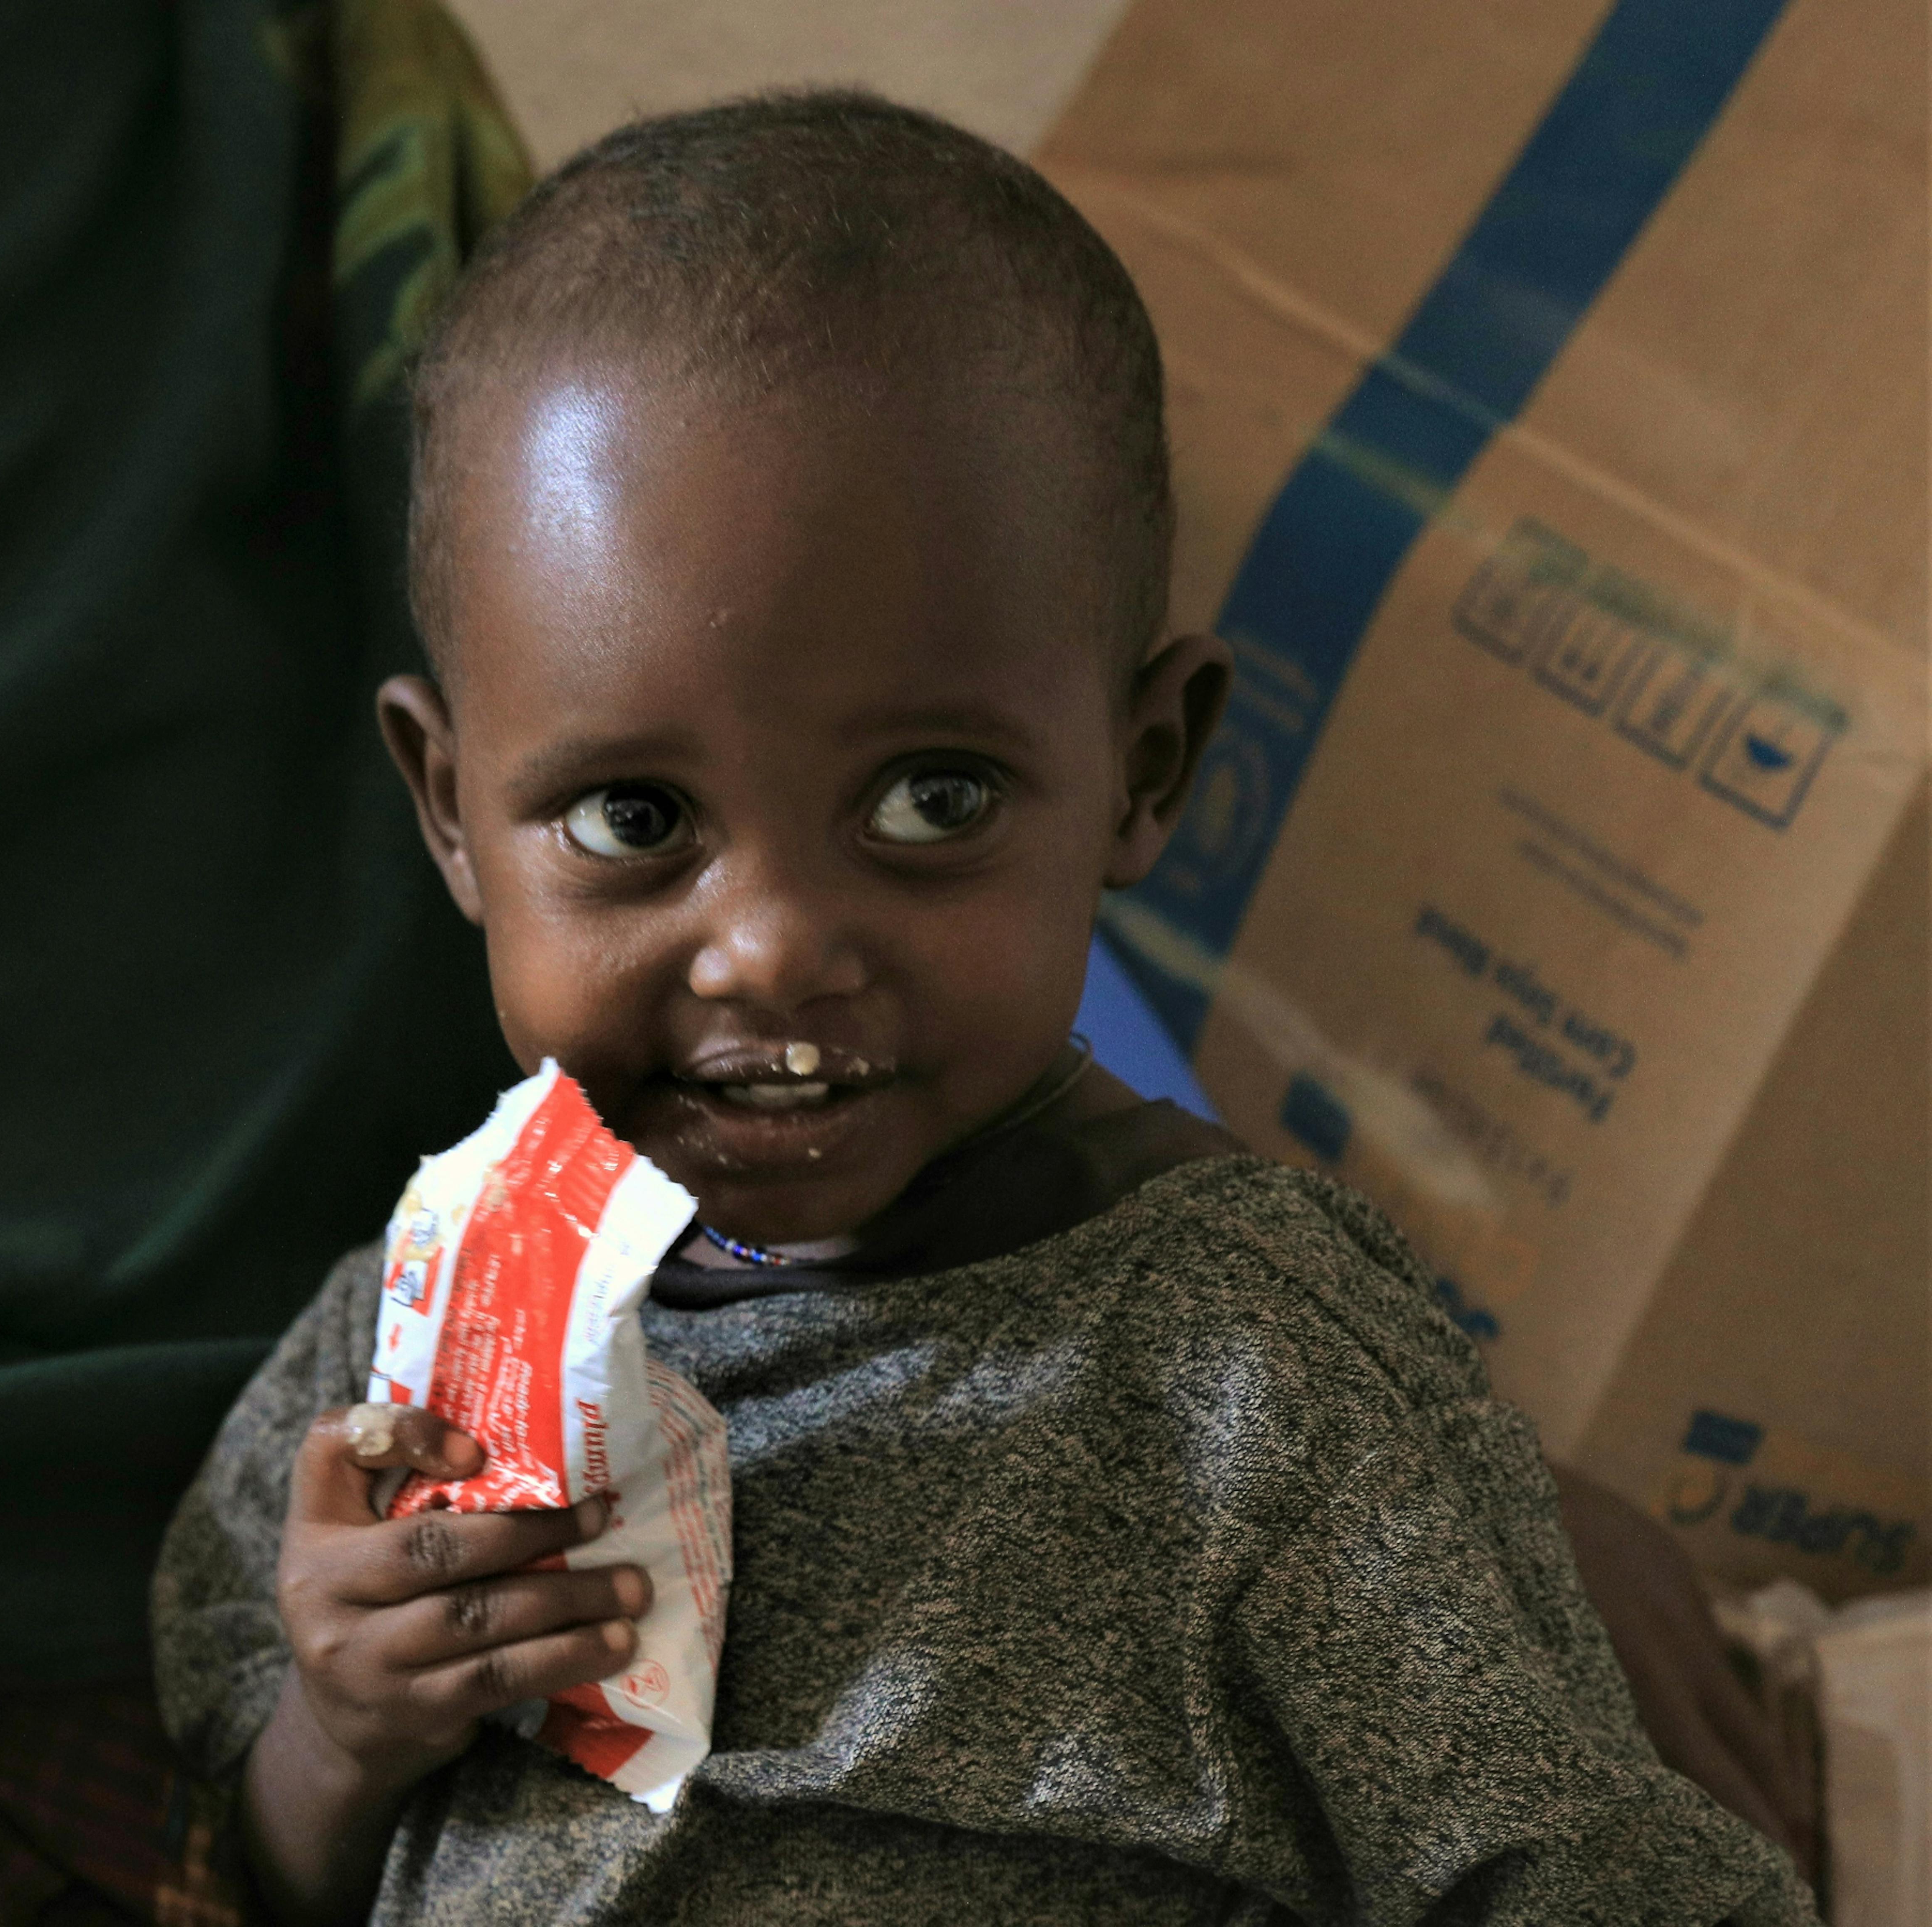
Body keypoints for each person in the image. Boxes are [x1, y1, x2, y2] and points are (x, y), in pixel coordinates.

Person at [151, 92, 1816, 1926]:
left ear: (1139, 767)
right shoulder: (426, 1316)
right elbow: (265, 1859)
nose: (770, 948)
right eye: (635, 823)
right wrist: (340, 1728)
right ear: (451, 815)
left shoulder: (1250, 1386)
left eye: (928, 801)